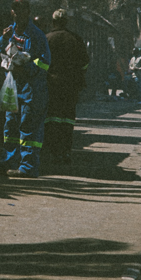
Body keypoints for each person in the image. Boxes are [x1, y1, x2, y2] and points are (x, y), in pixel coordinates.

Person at [0, 0, 51, 178]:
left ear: (28, 12)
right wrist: (3, 38)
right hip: (12, 86)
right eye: (16, 11)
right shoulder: (9, 32)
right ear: (12, 12)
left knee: (28, 127)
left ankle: (28, 167)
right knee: (10, 127)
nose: (19, 14)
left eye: (23, 11)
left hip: (31, 89)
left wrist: (28, 67)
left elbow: (45, 62)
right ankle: (9, 163)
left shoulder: (37, 35)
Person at [44, 9, 89, 165]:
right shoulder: (75, 39)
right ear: (66, 22)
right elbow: (85, 63)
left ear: (53, 21)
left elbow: (39, 62)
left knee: (51, 119)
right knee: (68, 121)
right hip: (70, 87)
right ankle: (65, 153)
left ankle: (52, 152)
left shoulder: (47, 39)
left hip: (51, 85)